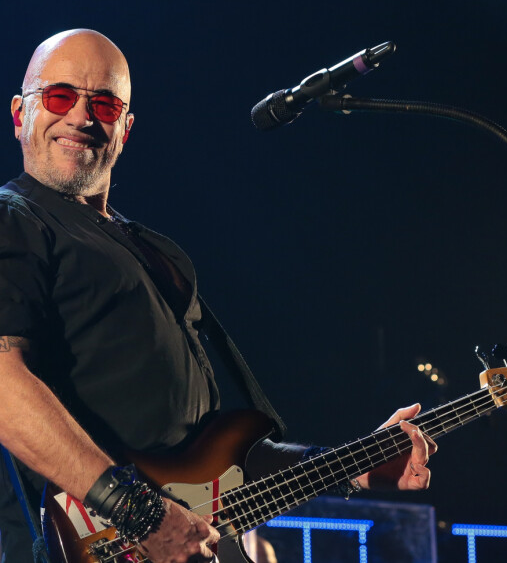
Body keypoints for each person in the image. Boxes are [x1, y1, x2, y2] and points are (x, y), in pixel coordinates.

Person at [0, 29, 437, 563]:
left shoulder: (157, 253)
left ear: (125, 129)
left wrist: (352, 465)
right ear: (21, 114)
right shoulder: (13, 219)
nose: (80, 117)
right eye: (60, 96)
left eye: (105, 103)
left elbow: (212, 461)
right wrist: (141, 513)